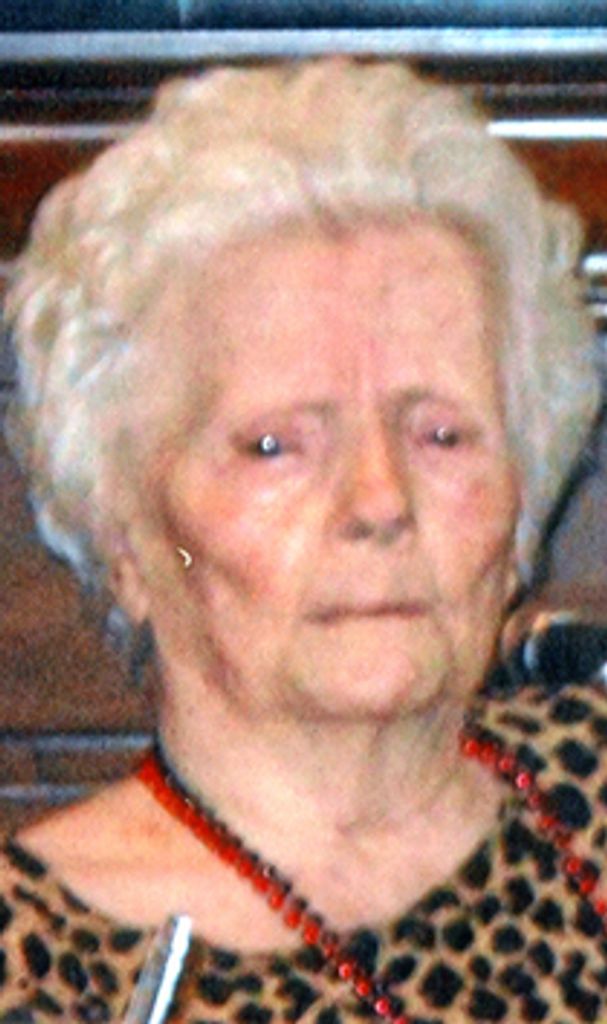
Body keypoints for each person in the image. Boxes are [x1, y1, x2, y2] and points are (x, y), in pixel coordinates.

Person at [0, 56, 604, 1023]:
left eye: (441, 435)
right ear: (129, 540)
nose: (379, 501)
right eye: (274, 446)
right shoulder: (33, 967)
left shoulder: (589, 790)